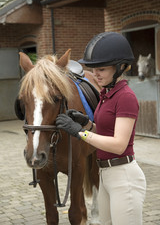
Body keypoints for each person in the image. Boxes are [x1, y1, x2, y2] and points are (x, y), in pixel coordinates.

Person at [56, 32, 146, 225]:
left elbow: (118, 144)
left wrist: (80, 133)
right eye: (93, 68)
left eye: (102, 69)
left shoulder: (125, 97)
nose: (95, 74)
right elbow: (106, 133)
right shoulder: (107, 94)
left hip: (124, 176)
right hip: (105, 175)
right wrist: (87, 124)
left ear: (120, 67)